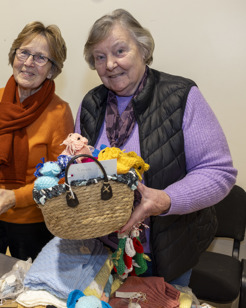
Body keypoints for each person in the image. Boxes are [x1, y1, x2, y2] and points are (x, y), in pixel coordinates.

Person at [75, 9, 237, 286]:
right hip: (101, 252)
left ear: (143, 49)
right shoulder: (91, 104)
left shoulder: (180, 96)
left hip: (165, 253)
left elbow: (218, 172)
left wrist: (164, 200)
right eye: (100, 57)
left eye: (120, 51)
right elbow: (79, 168)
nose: (110, 64)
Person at [0, 21, 74, 261]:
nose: (28, 63)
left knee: (27, 293)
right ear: (13, 55)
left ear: (52, 69)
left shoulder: (59, 112)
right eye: (24, 52)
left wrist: (15, 198)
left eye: (40, 58)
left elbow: (62, 175)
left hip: (32, 222)